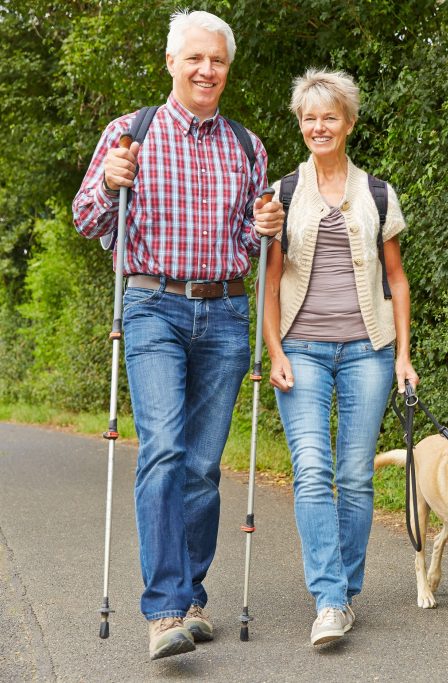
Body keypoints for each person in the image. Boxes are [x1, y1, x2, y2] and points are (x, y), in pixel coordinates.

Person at [71, 9, 284, 661]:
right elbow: (86, 218)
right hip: (151, 306)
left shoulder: (248, 147)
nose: (206, 69)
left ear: (228, 68)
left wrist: (269, 223)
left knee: (201, 466)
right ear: (171, 62)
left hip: (224, 312)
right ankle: (164, 610)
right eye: (195, 58)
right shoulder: (128, 134)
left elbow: (249, 244)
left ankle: (192, 595)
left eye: (217, 60)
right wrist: (109, 183)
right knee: (163, 449)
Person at [262, 68, 418, 647]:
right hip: (300, 349)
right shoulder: (281, 193)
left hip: (368, 352)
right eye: (310, 118)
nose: (319, 126)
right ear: (300, 125)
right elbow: (270, 285)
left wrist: (403, 355)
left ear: (348, 123)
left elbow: (397, 281)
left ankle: (344, 592)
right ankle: (329, 598)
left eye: (330, 117)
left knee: (354, 477)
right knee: (311, 469)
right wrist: (274, 348)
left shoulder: (377, 192)